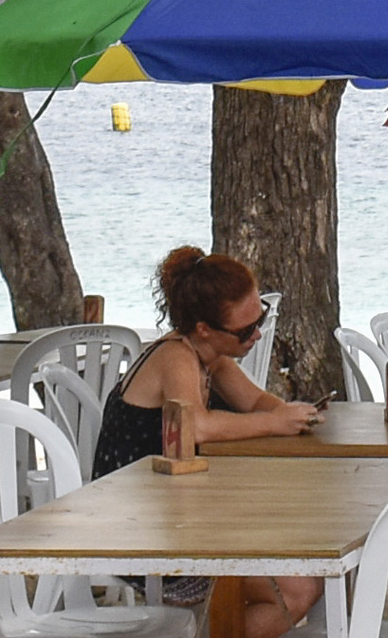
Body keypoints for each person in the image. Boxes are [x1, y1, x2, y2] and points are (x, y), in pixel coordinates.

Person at [89, 250, 324, 637]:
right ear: (203, 328)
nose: (257, 335)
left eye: (260, 318)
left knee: (309, 566)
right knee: (297, 588)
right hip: (140, 533)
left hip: (187, 520)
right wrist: (273, 422)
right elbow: (196, 426)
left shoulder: (209, 356)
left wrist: (290, 413)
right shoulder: (175, 357)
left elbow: (255, 402)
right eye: (245, 330)